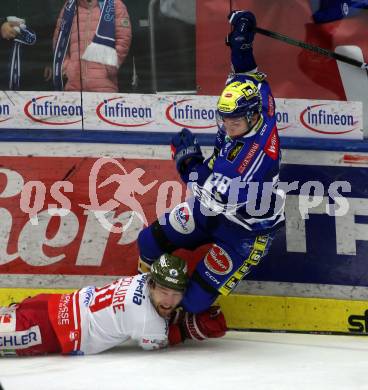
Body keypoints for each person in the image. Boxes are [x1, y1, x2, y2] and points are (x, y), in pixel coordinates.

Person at [137, 11, 285, 313]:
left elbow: (209, 192)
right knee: (149, 242)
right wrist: (241, 42)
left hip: (244, 232)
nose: (228, 125)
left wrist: (187, 161)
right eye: (225, 118)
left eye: (235, 120)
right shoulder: (261, 101)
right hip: (211, 209)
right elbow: (247, 72)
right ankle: (142, 303)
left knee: (194, 303)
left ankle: (177, 319)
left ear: (253, 116)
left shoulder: (251, 158)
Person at [0, 254, 227, 357]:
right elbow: (160, 342)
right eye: (164, 292)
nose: (169, 301)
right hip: (51, 331)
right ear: (152, 284)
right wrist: (189, 328)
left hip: (48, 305)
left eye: (176, 294)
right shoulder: (148, 321)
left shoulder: (140, 280)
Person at [46, 0, 132, 92]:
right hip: (74, 87)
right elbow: (59, 40)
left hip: (104, 86)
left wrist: (109, 68)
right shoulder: (69, 6)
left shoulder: (115, 5)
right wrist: (67, 69)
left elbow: (123, 39)